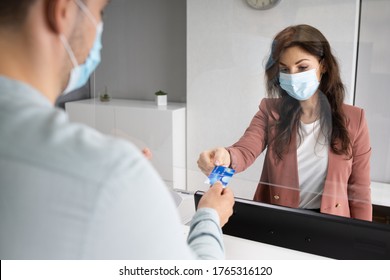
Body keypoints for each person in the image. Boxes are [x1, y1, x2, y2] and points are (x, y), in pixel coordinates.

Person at [0, 0, 234, 259]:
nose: (99, 29)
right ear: (63, 11)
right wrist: (209, 217)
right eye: (99, 13)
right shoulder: (112, 175)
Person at [198, 24, 372, 221]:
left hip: (332, 223)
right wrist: (225, 157)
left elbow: (359, 189)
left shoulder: (355, 119)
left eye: (302, 67)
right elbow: (245, 150)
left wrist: (361, 241)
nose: (293, 76)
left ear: (323, 65)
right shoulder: (270, 110)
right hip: (279, 220)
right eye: (285, 69)